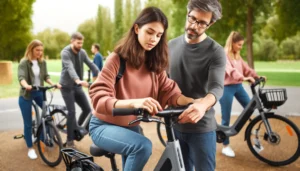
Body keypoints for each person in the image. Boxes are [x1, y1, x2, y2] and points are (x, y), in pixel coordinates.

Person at [88, 7, 194, 171]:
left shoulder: (154, 62)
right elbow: (98, 98)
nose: (153, 39)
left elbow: (168, 89)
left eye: (158, 35)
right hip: (103, 125)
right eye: (149, 32)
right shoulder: (117, 59)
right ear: (137, 28)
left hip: (132, 125)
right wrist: (135, 103)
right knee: (142, 146)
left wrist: (192, 102)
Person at [168, 0, 226, 170]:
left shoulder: (216, 51)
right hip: (174, 125)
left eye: (201, 23)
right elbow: (162, 82)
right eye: (192, 18)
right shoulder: (170, 46)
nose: (194, 25)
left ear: (211, 23)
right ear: (187, 14)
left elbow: (217, 87)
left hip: (202, 128)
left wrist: (202, 105)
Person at [219, 31, 266, 157]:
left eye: (241, 45)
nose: (241, 47)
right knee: (226, 118)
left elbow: (246, 68)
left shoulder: (237, 55)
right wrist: (244, 78)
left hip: (238, 87)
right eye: (239, 45)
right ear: (232, 43)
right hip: (226, 88)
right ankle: (225, 146)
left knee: (250, 107)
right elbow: (230, 71)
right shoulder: (224, 54)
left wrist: (256, 76)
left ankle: (252, 133)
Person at [18, 39, 61, 159]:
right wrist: (26, 85)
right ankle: (30, 148)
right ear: (31, 49)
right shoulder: (24, 62)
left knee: (46, 115)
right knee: (28, 123)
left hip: (39, 92)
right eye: (37, 50)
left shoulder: (42, 62)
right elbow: (21, 77)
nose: (40, 53)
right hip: (26, 94)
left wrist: (53, 83)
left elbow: (46, 76)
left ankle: (42, 139)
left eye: (41, 50)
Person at [59, 32, 99, 148]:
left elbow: (91, 64)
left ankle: (76, 130)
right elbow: (69, 67)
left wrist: (101, 74)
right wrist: (77, 80)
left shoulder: (82, 52)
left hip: (77, 86)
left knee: (87, 109)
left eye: (81, 43)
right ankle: (70, 140)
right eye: (78, 42)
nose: (80, 45)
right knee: (72, 112)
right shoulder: (65, 52)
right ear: (72, 41)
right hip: (66, 86)